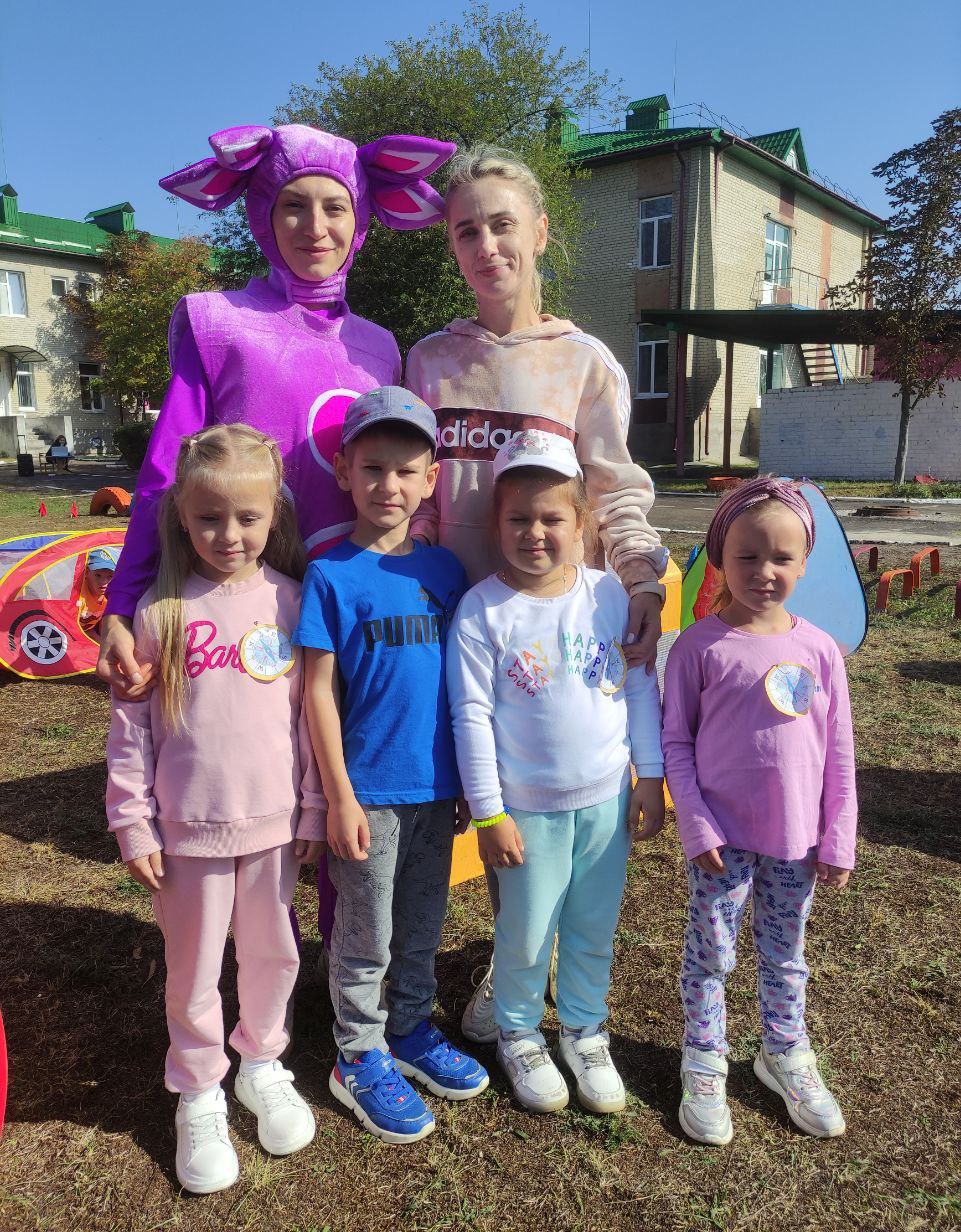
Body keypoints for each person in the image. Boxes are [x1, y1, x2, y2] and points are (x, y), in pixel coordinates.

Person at [405, 146, 669, 1043]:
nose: (486, 245)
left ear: (541, 232)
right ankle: (508, 953)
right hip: (458, 622)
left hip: (552, 634)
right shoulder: (428, 361)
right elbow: (417, 493)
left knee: (546, 799)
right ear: (451, 246)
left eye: (502, 224)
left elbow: (614, 489)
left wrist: (640, 575)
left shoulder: (583, 362)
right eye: (465, 231)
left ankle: (528, 969)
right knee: (483, 800)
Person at [98, 122, 455, 699]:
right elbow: (165, 475)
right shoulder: (219, 324)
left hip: (355, 615)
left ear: (361, 218)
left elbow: (402, 471)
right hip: (245, 610)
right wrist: (122, 603)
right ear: (262, 213)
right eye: (293, 205)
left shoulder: (381, 347)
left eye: (335, 207)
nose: (315, 227)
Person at [104, 424, 324, 1194]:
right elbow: (130, 732)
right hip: (185, 835)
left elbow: (311, 718)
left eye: (247, 518)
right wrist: (133, 822)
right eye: (209, 518)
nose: (228, 534)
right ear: (181, 517)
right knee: (193, 968)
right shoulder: (157, 613)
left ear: (274, 516)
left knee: (272, 953)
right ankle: (198, 1088)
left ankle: (261, 1062)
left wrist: (313, 808)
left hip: (273, 829)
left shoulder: (293, 602)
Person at [447, 430, 664, 1114]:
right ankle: (518, 1033)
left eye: (551, 518)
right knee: (526, 930)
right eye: (518, 518)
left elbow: (638, 687)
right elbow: (471, 718)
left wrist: (650, 776)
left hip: (606, 802)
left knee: (593, 925)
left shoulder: (607, 596)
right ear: (495, 523)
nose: (534, 533)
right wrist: (489, 812)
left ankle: (583, 1030)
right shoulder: (481, 611)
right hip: (525, 811)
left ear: (581, 523)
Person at [294, 388, 488, 1143]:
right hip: (368, 793)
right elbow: (316, 692)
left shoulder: (446, 571)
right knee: (365, 934)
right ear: (344, 472)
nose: (388, 485)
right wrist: (337, 796)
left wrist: (467, 778)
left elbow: (466, 686)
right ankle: (358, 1053)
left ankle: (408, 1029)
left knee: (421, 923)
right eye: (372, 468)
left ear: (431, 479)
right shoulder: (330, 575)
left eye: (406, 470)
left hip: (437, 790)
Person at [661, 476, 857, 1146]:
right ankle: (704, 1058)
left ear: (804, 564)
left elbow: (838, 752)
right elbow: (675, 742)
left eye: (781, 557)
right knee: (711, 955)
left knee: (784, 954)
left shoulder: (821, 650)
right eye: (747, 556)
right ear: (720, 557)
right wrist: (695, 824)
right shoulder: (697, 648)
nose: (763, 571)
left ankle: (783, 1051)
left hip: (795, 842)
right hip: (721, 843)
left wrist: (837, 835)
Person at [78, 546, 119, 637]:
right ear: (87, 573)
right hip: (74, 632)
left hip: (91, 629)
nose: (103, 582)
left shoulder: (112, 595)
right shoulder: (77, 594)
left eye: (110, 576)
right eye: (98, 575)